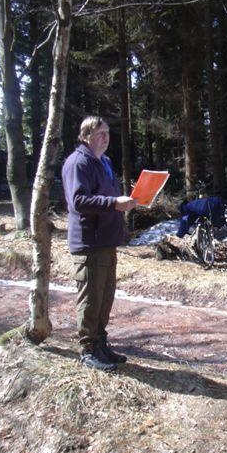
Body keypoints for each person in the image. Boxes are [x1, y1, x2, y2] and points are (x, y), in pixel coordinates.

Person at [62, 116, 137, 372]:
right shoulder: (78, 162)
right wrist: (114, 203)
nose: (105, 138)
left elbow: (107, 195)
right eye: (99, 134)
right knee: (91, 298)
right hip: (88, 242)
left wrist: (127, 200)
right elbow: (78, 201)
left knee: (105, 296)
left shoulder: (105, 162)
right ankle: (88, 350)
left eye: (107, 133)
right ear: (85, 136)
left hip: (107, 239)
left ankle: (101, 343)